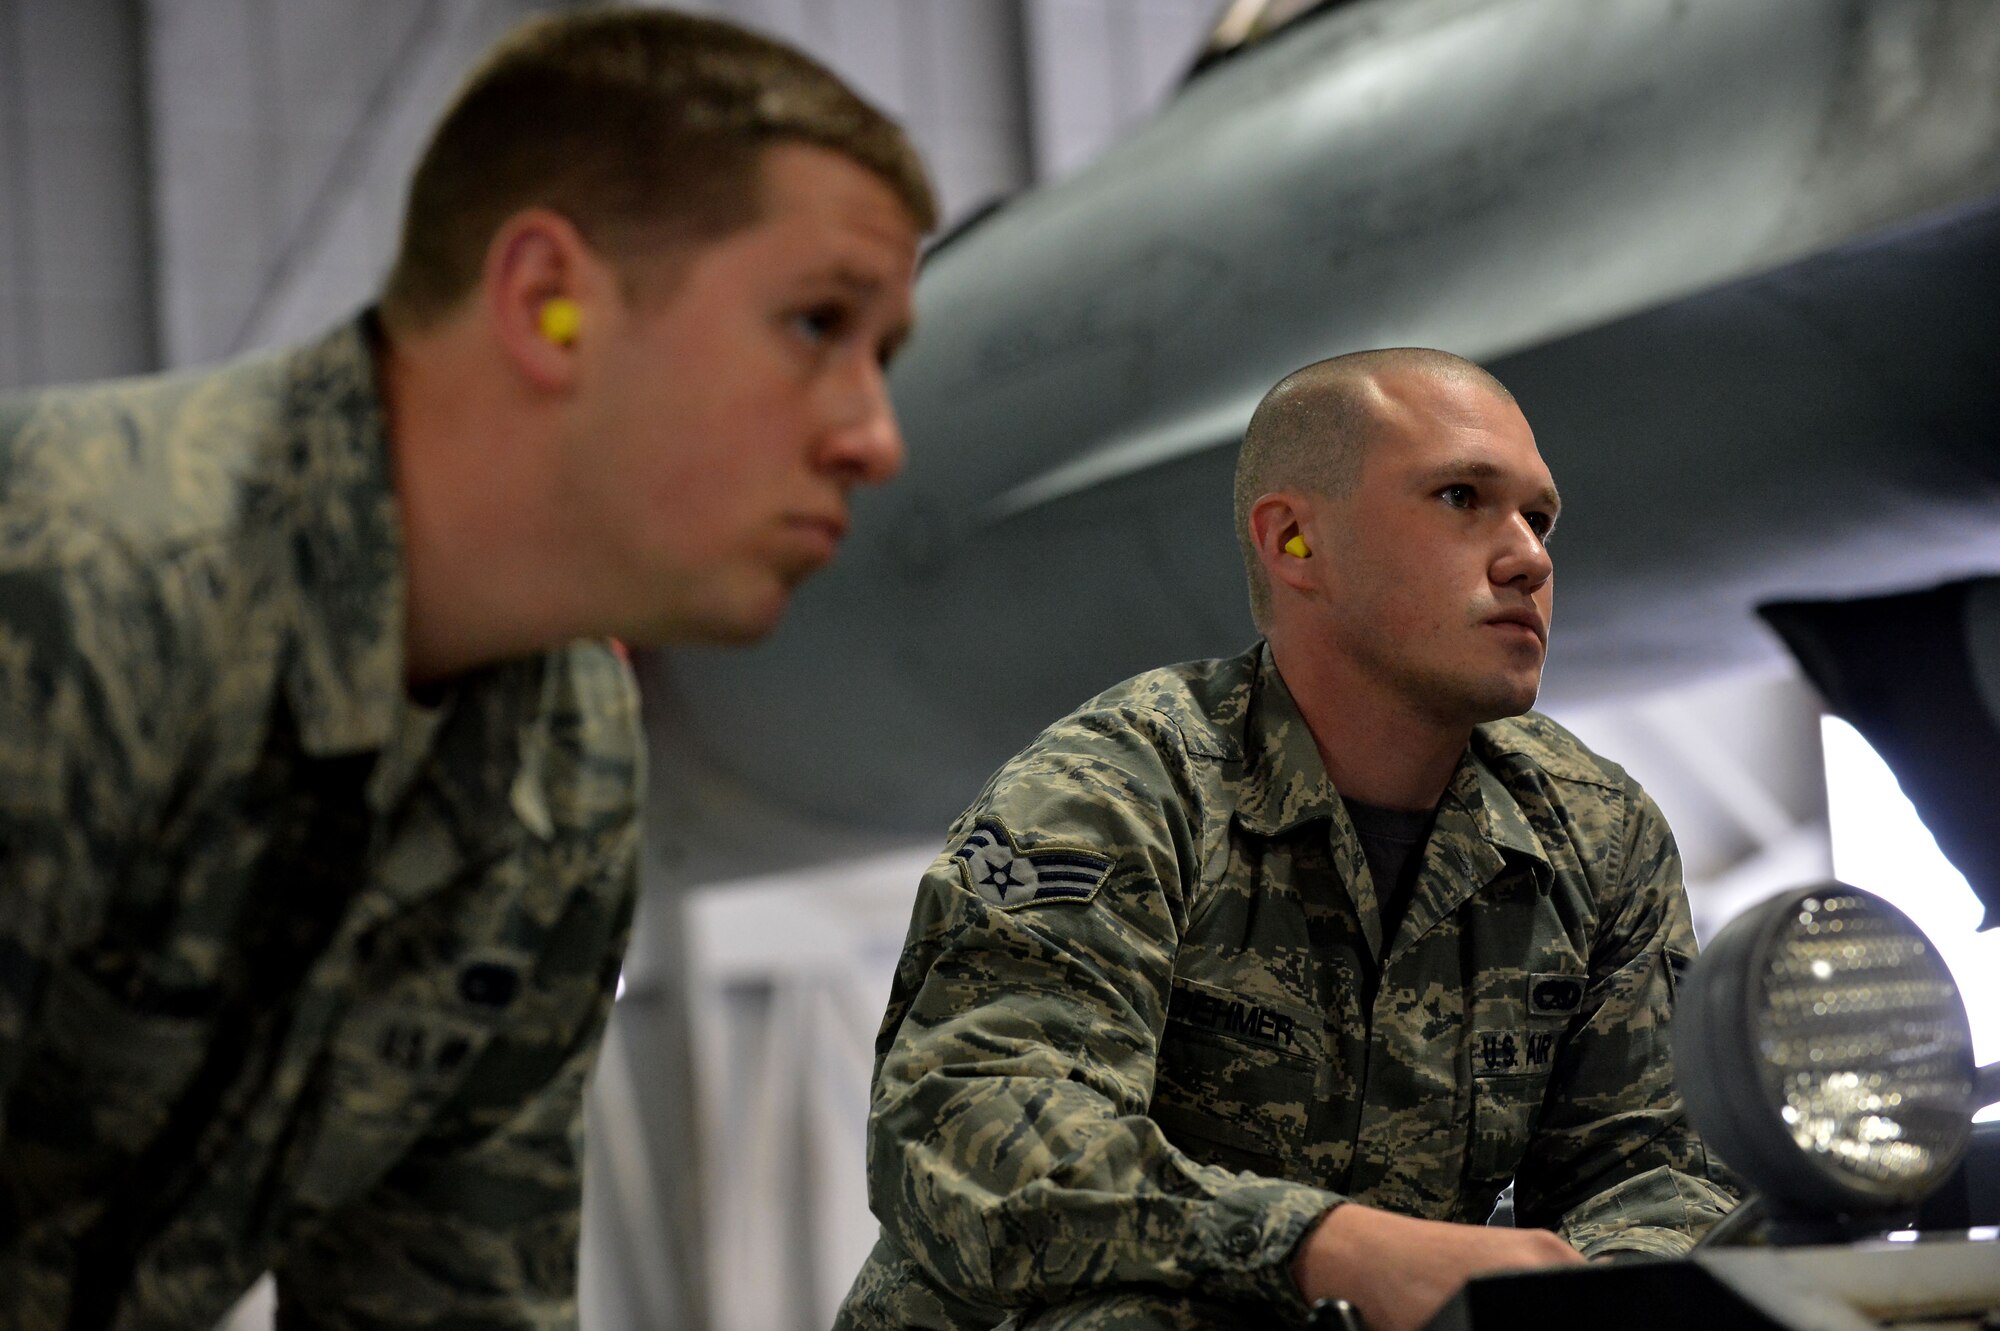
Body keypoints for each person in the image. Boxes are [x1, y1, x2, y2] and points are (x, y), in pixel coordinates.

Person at [0, 11, 930, 1329]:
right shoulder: (75, 589)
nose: (874, 437)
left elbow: (442, 1293)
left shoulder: (566, 749)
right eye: (816, 322)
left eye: (882, 354)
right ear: (547, 300)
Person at [837, 349, 1736, 1331]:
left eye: (1539, 517)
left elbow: (1652, 1171)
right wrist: (1329, 1248)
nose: (1529, 556)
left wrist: (1602, 1299)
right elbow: (971, 1131)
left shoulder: (1596, 835)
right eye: (1461, 497)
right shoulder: (1121, 789)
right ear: (1294, 540)